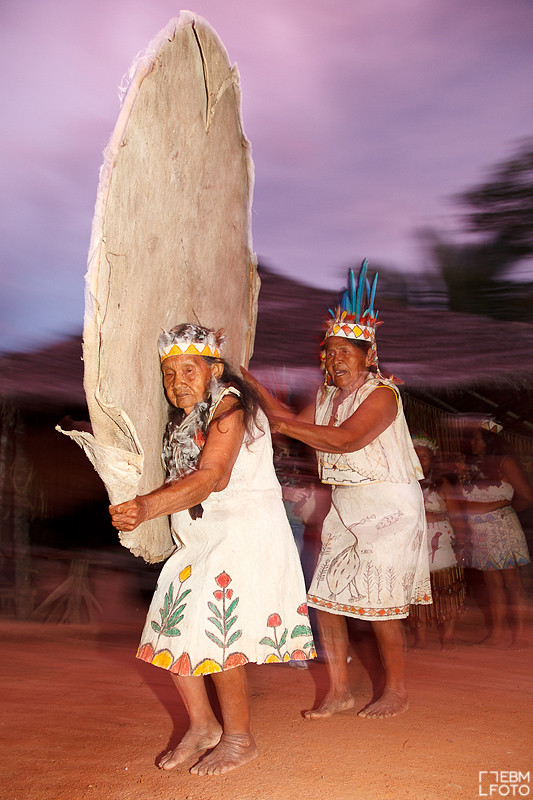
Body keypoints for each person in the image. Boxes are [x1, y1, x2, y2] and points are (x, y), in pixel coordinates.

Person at [110, 324, 314, 776]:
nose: (177, 380)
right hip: (199, 538)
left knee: (221, 633)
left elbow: (212, 477)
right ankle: (203, 726)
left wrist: (145, 507)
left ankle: (240, 738)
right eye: (169, 372)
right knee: (170, 625)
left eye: (188, 368)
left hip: (240, 534)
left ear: (215, 369)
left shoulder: (229, 405)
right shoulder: (184, 419)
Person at [243, 262, 431, 719]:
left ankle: (397, 690)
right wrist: (245, 379)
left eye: (348, 350)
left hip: (389, 506)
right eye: (330, 351)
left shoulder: (383, 394)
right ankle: (340, 691)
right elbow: (292, 421)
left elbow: (346, 439)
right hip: (346, 505)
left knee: (380, 605)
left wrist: (283, 422)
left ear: (369, 355)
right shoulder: (327, 396)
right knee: (325, 598)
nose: (337, 358)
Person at [461, 418, 532, 649]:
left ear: (489, 441)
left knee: (512, 582)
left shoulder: (505, 463)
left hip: (503, 529)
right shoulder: (475, 466)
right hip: (480, 534)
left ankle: (520, 634)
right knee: (492, 585)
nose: (472, 442)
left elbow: (527, 497)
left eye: (477, 438)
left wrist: (502, 509)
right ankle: (498, 633)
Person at [409, 434, 466, 650]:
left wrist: (461, 543)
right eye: (415, 455)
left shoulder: (441, 483)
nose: (420, 459)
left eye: (424, 456)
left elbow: (456, 514)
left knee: (447, 588)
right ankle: (421, 638)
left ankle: (448, 637)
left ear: (432, 460)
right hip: (414, 542)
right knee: (417, 591)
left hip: (440, 541)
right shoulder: (403, 482)